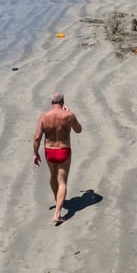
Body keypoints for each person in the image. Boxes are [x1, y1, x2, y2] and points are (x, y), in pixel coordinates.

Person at [32, 92, 82, 225]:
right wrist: (71, 115)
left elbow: (37, 137)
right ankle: (58, 213)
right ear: (63, 102)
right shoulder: (68, 115)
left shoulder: (44, 117)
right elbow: (79, 130)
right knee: (62, 181)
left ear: (51, 102)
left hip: (49, 151)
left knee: (53, 175)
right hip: (63, 150)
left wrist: (35, 153)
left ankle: (57, 200)